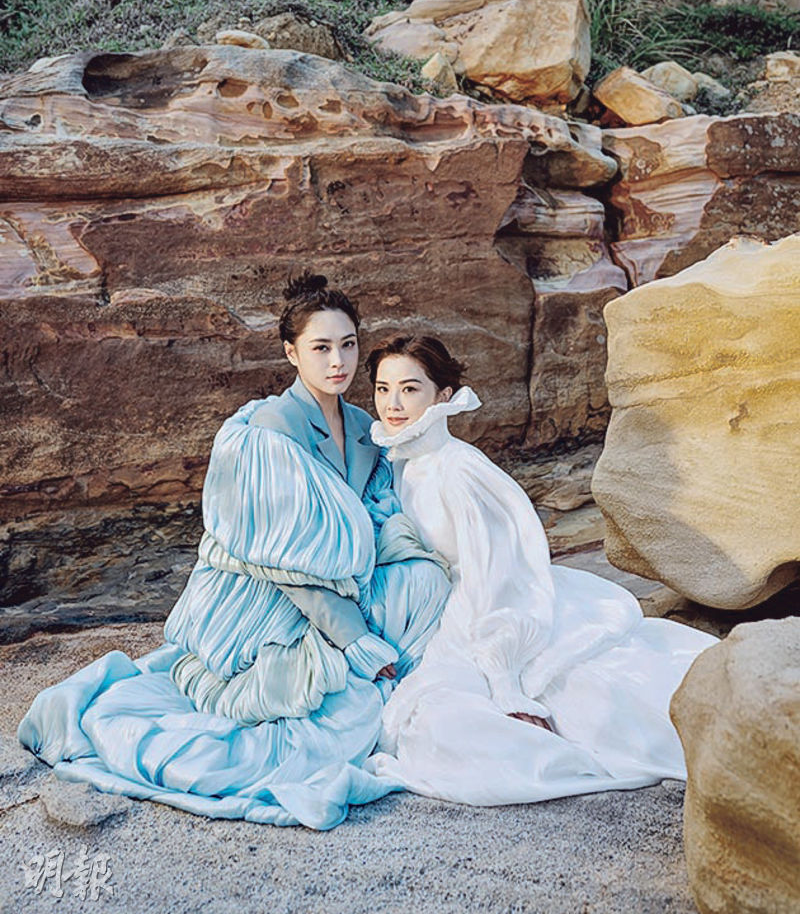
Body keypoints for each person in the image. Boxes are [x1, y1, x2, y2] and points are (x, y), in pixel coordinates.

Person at [18, 276, 449, 829]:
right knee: (339, 715)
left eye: (347, 345)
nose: (337, 361)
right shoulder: (267, 431)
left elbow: (379, 514)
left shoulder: (365, 427)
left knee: (424, 582)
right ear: (291, 353)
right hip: (263, 594)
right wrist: (355, 639)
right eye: (320, 347)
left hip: (337, 585)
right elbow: (286, 561)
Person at [363, 334, 717, 806]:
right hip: (445, 616)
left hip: (494, 611)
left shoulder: (459, 471)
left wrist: (504, 677)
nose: (393, 404)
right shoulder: (402, 463)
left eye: (409, 389)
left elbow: (503, 575)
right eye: (383, 389)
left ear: (443, 395)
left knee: (589, 705)